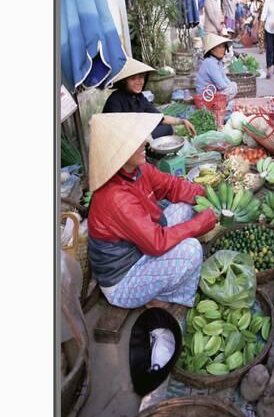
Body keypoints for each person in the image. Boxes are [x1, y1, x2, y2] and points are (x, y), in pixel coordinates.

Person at [87, 112, 217, 309]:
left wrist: (206, 194)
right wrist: (199, 224)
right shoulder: (115, 197)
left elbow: (172, 186)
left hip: (139, 250)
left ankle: (165, 285)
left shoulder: (137, 170)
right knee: (191, 249)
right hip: (123, 280)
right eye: (135, 142)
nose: (144, 144)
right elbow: (156, 243)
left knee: (185, 206)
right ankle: (170, 297)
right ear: (119, 154)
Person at [103, 58, 196, 138]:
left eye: (141, 77)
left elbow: (159, 118)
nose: (138, 82)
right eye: (133, 79)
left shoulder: (139, 97)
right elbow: (115, 132)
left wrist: (182, 121)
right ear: (124, 81)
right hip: (122, 141)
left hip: (137, 134)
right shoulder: (115, 100)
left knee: (167, 128)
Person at [195, 33, 238, 102]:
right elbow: (221, 85)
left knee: (233, 85)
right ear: (212, 50)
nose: (222, 49)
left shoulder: (218, 62)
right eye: (219, 47)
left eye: (223, 47)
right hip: (205, 96)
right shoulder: (209, 62)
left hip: (213, 92)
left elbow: (225, 79)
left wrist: (231, 86)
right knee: (232, 88)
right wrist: (231, 88)